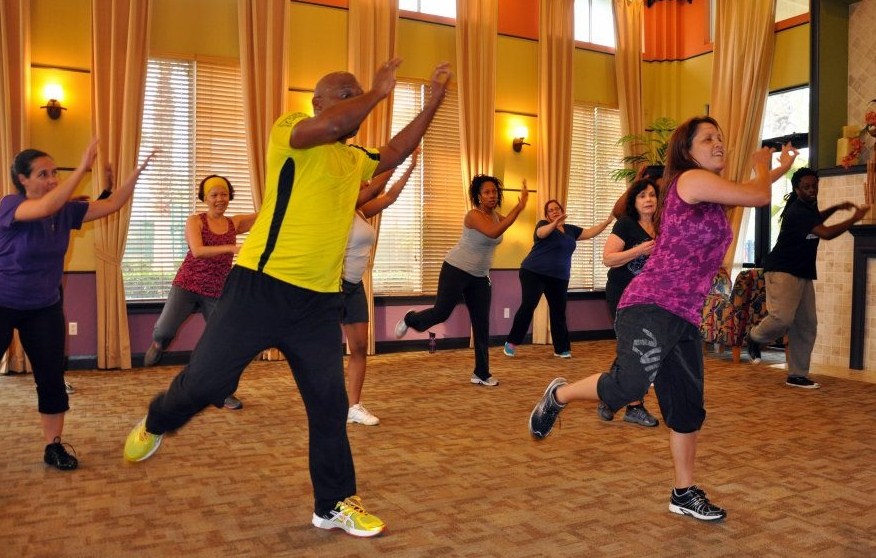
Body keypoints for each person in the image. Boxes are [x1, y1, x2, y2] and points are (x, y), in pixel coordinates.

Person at [123, 58, 451, 538]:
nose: (352, 100)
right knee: (206, 384)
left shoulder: (351, 157)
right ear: (317, 103)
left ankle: (333, 503)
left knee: (328, 405)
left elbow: (396, 149)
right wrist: (378, 93)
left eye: (356, 92)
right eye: (344, 93)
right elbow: (341, 120)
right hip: (258, 287)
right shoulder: (291, 130)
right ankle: (156, 420)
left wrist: (435, 102)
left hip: (317, 304)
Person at [528, 116, 798, 522]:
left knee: (686, 408)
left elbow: (748, 192)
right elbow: (758, 197)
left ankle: (684, 491)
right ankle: (558, 395)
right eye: (709, 138)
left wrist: (778, 168)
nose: (719, 142)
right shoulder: (689, 181)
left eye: (721, 137)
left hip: (685, 315)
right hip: (650, 305)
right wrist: (763, 163)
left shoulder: (708, 193)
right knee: (630, 384)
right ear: (687, 151)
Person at [1, 140, 154, 470]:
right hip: (3, 302)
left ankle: (52, 446)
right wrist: (82, 168)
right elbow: (43, 208)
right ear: (22, 179)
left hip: (44, 307)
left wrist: (134, 176)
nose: (53, 179)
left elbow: (111, 204)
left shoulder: (67, 211)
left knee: (52, 378)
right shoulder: (11, 205)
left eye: (55, 172)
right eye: (44, 174)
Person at [394, 175, 529, 386]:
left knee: (481, 324)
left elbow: (503, 224)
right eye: (487, 192)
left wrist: (517, 209)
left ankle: (481, 373)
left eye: (494, 191)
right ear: (478, 196)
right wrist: (519, 207)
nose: (492, 195)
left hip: (480, 276)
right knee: (441, 312)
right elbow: (494, 233)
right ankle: (411, 319)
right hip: (456, 269)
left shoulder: (495, 215)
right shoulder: (473, 216)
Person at [142, 174, 258, 410]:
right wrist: (233, 247)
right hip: (187, 285)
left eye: (224, 194)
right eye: (214, 194)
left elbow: (265, 215)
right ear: (205, 198)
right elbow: (197, 251)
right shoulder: (195, 221)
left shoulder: (234, 223)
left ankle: (223, 392)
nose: (220, 199)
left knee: (224, 342)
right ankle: (158, 344)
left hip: (216, 290)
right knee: (165, 330)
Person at [747, 167, 869, 388]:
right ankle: (755, 337)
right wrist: (854, 218)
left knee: (807, 324)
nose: (812, 190)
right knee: (782, 318)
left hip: (803, 272)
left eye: (815, 185)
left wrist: (836, 207)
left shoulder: (808, 208)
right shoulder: (798, 211)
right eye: (807, 187)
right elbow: (826, 232)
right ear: (797, 189)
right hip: (782, 270)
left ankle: (797, 374)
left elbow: (818, 219)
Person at [344, 149, 419, 426]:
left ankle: (353, 406)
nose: (367, 183)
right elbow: (378, 187)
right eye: (363, 180)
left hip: (353, 286)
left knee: (360, 347)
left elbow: (388, 196)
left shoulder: (360, 211)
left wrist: (409, 167)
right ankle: (327, 404)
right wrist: (395, 160)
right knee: (324, 351)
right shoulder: (337, 206)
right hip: (330, 285)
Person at [503, 199, 613, 359]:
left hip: (559, 277)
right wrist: (554, 223)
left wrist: (608, 221)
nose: (554, 211)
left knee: (558, 312)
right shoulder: (543, 225)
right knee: (528, 306)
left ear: (562, 211)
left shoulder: (570, 230)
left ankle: (561, 349)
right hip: (534, 272)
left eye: (557, 209)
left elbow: (590, 232)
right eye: (550, 210)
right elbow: (541, 234)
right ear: (547, 215)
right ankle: (511, 343)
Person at [598, 178, 660, 427]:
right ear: (634, 201)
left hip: (651, 297)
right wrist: (639, 251)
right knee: (634, 348)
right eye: (642, 195)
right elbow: (608, 259)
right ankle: (634, 406)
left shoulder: (663, 227)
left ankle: (610, 397)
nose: (648, 200)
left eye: (652, 195)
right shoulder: (625, 224)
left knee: (636, 348)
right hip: (623, 294)